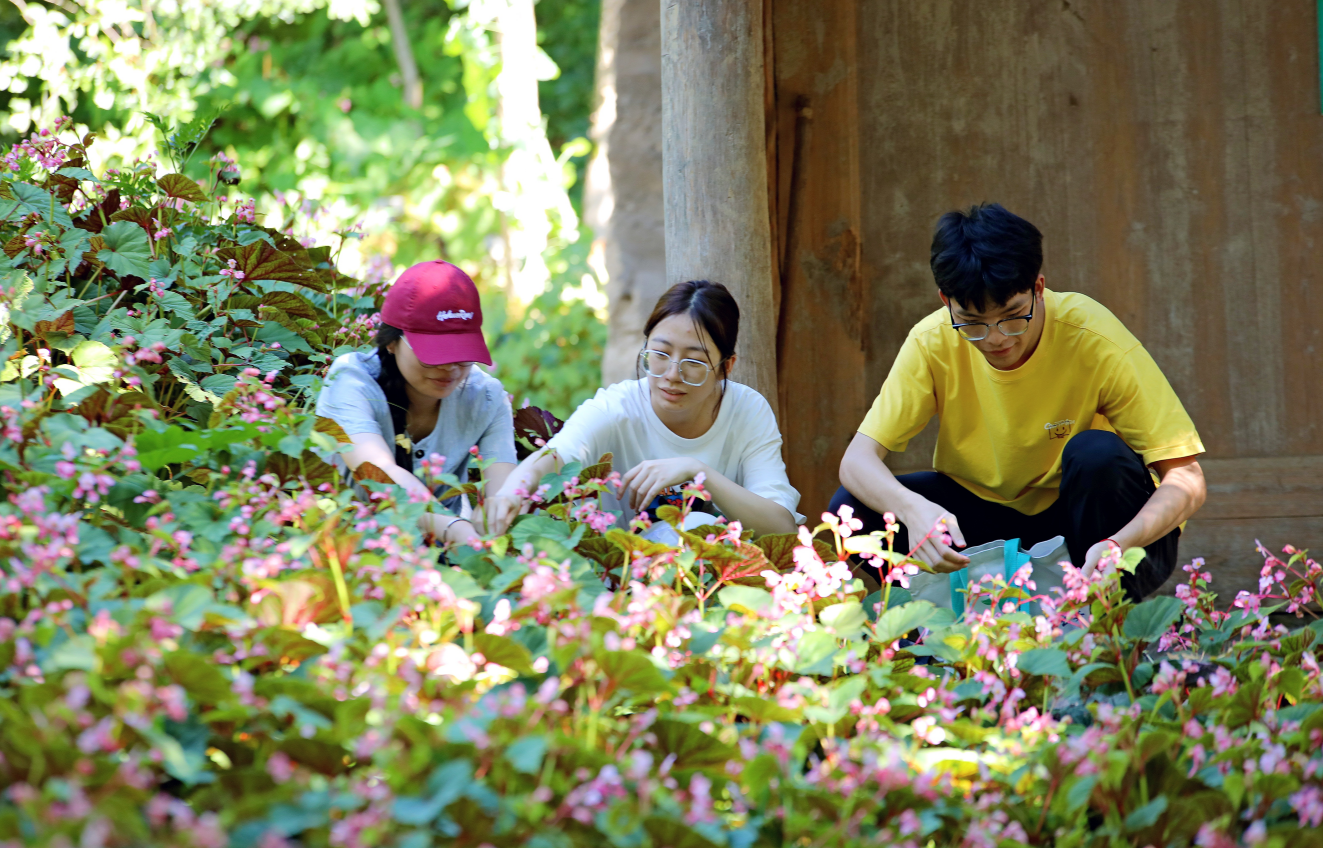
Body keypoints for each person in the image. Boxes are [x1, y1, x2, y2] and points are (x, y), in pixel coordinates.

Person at [831, 204, 1206, 600]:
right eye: (973, 323)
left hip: (1087, 521)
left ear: (1038, 288)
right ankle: (930, 632)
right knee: (854, 507)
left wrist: (1120, 544)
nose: (996, 338)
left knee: (1099, 455)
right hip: (983, 517)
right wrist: (910, 509)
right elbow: (857, 461)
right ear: (946, 301)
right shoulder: (932, 341)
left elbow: (1187, 479)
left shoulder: (1094, 337)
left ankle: (1102, 622)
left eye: (1012, 316)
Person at [488, 280, 800, 537]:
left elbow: (781, 528)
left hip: (718, 590)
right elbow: (558, 453)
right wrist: (509, 493)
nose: (672, 375)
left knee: (695, 526)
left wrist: (698, 471)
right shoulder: (619, 408)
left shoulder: (747, 411)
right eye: (660, 354)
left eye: (693, 362)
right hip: (625, 586)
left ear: (725, 367)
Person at [316, 259, 517, 548]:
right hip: (343, 549)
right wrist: (458, 530)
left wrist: (497, 517)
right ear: (391, 342)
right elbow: (381, 474)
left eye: (462, 355)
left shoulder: (485, 397)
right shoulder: (350, 381)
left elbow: (503, 491)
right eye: (434, 354)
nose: (450, 368)